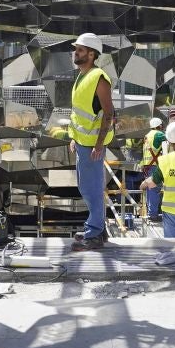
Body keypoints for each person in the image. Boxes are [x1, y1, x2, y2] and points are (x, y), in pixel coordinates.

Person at [67, 32, 115, 251]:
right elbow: (80, 113)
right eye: (76, 49)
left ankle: (94, 233)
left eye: (80, 50)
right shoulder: (82, 75)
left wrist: (98, 144)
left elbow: (108, 113)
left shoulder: (98, 78)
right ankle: (99, 229)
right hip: (83, 142)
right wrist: (74, 138)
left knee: (91, 189)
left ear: (92, 54)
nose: (75, 53)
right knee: (88, 187)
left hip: (93, 145)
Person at [141, 116, 166, 221]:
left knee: (150, 189)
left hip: (147, 165)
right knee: (155, 189)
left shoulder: (147, 136)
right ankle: (153, 215)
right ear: (159, 126)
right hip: (154, 165)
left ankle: (151, 213)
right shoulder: (159, 134)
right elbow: (172, 138)